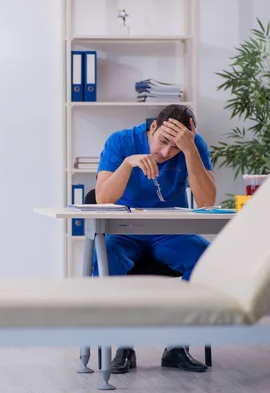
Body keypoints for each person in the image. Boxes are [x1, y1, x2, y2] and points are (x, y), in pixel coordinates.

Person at [94, 104, 216, 373]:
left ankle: (177, 347)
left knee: (209, 261)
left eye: (175, 147)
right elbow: (102, 198)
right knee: (105, 256)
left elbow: (207, 201)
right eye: (162, 141)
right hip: (125, 233)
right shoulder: (121, 141)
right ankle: (123, 346)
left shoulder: (193, 147)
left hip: (171, 234)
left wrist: (190, 149)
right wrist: (128, 164)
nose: (165, 153)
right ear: (153, 127)